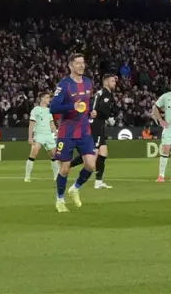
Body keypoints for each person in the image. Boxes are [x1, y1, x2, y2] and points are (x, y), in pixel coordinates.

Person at [50, 53, 97, 213]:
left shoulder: (88, 83)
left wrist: (90, 112)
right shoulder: (64, 85)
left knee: (91, 165)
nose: (82, 66)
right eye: (78, 63)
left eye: (83, 63)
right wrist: (72, 107)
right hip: (67, 132)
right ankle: (60, 200)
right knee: (65, 168)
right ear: (70, 65)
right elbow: (53, 107)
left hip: (84, 131)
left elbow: (86, 105)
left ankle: (75, 188)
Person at [70, 73, 117, 188]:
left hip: (98, 124)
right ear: (106, 82)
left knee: (103, 152)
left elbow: (94, 107)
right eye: (112, 81)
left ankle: (98, 182)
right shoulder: (105, 93)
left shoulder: (101, 93)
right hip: (96, 125)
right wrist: (108, 117)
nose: (114, 83)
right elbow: (100, 110)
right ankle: (67, 166)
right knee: (92, 155)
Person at [25, 91, 60, 182]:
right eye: (48, 97)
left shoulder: (49, 111)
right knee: (34, 154)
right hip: (39, 135)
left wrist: (57, 134)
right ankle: (27, 176)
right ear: (42, 98)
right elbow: (31, 124)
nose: (49, 99)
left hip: (48, 135)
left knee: (54, 156)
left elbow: (52, 125)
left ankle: (56, 176)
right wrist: (30, 137)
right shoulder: (36, 109)